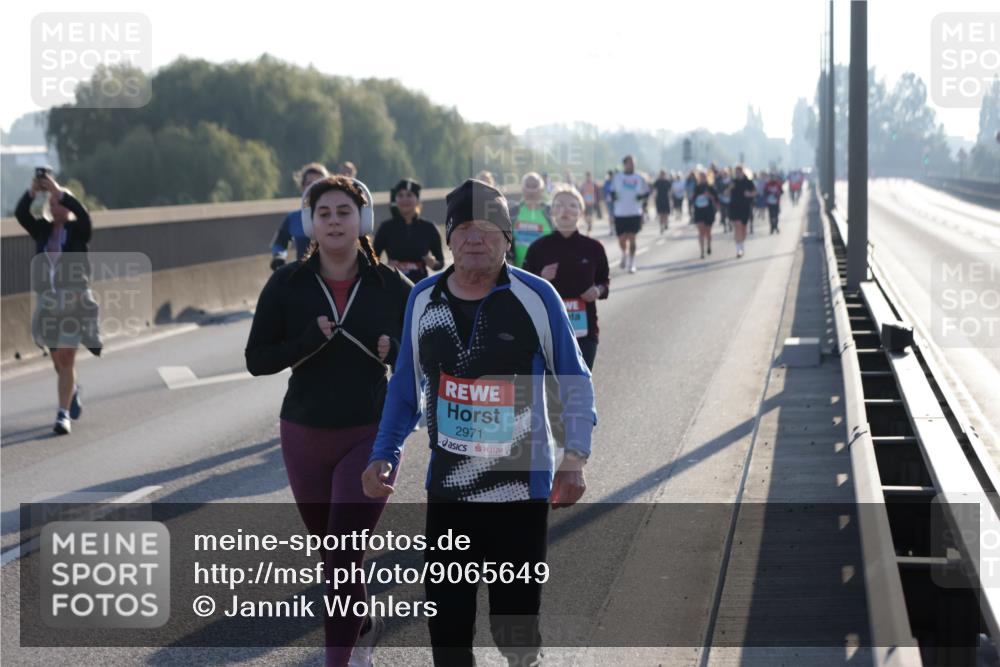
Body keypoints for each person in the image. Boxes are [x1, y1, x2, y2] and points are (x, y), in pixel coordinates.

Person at [362, 178, 596, 667]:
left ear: (507, 237)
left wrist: (573, 458)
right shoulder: (422, 299)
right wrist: (384, 452)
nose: (474, 238)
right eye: (464, 227)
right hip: (450, 493)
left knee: (515, 628)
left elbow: (573, 378)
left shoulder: (537, 296)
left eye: (488, 228)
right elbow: (406, 388)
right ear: (448, 237)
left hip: (521, 489)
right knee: (447, 630)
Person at [245, 175, 412, 667]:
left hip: (373, 434)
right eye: (324, 214)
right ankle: (360, 623)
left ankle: (336, 659)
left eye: (344, 212)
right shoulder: (287, 284)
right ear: (309, 223)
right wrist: (304, 343)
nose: (334, 221)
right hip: (303, 433)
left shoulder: (390, 285)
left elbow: (424, 361)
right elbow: (257, 359)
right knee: (335, 557)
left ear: (363, 220)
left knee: (341, 554)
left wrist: (395, 349)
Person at [15, 169, 99, 435]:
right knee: (58, 361)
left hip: (73, 301)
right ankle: (71, 390)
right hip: (48, 303)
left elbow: (84, 215)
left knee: (66, 356)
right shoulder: (42, 229)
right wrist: (33, 192)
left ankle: (62, 415)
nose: (55, 206)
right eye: (51, 203)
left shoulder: (78, 231)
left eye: (59, 202)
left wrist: (58, 190)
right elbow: (20, 214)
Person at [524, 185, 610, 370]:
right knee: (552, 393)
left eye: (572, 205)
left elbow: (605, 283)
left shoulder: (594, 248)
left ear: (581, 211)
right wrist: (541, 277)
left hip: (585, 332)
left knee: (578, 390)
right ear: (552, 211)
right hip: (548, 332)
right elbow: (524, 289)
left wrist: (597, 290)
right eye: (559, 205)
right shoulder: (538, 248)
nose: (565, 210)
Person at [373, 178, 445, 283]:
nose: (404, 199)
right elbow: (373, 259)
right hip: (393, 283)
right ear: (395, 199)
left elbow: (440, 262)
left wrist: (433, 263)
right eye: (400, 195)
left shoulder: (429, 228)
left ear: (417, 199)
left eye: (409, 195)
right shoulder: (386, 228)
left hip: (419, 285)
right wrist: (385, 266)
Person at [270, 162, 329, 271]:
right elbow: (279, 243)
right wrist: (279, 256)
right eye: (310, 183)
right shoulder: (294, 218)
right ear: (302, 187)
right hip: (304, 277)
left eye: (320, 183)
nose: (314, 187)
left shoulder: (338, 217)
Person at [609, 155, 650, 273]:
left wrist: (641, 197)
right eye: (629, 163)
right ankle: (624, 253)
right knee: (622, 239)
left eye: (633, 163)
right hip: (620, 213)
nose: (632, 165)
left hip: (634, 212)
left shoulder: (639, 178)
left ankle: (632, 262)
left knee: (632, 237)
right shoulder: (617, 178)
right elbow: (611, 192)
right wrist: (614, 197)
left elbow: (647, 192)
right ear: (624, 164)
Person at [510, 172, 552, 268]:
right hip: (517, 273)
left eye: (535, 186)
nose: (531, 190)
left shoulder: (551, 213)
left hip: (543, 275)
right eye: (527, 186)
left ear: (542, 189)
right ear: (522, 189)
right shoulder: (512, 212)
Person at [727, 165, 756, 258]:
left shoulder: (748, 181)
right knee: (737, 227)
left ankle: (742, 245)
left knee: (744, 229)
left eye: (739, 171)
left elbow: (755, 192)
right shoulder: (733, 182)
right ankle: (738, 249)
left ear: (743, 172)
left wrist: (749, 194)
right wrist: (729, 188)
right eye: (737, 171)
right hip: (734, 206)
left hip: (745, 207)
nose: (738, 173)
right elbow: (725, 193)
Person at [691, 170, 719, 259]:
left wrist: (709, 196)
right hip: (699, 211)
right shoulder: (696, 187)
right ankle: (702, 251)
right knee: (700, 231)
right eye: (700, 176)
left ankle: (709, 245)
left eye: (704, 176)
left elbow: (716, 199)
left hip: (709, 211)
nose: (702, 178)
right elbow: (692, 199)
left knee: (708, 231)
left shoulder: (710, 187)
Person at [652, 169, 673, 233]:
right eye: (661, 174)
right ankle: (661, 226)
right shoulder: (657, 182)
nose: (662, 175)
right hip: (659, 199)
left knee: (666, 213)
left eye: (663, 174)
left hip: (666, 198)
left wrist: (671, 198)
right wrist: (654, 197)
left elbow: (670, 190)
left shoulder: (667, 182)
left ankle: (666, 222)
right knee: (660, 213)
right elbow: (654, 190)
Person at [602, 170, 616, 236]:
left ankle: (615, 229)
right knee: (611, 216)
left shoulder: (615, 182)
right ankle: (611, 229)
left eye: (611, 175)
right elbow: (604, 192)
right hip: (609, 202)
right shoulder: (606, 183)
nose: (610, 177)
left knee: (616, 216)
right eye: (609, 175)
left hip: (615, 202)